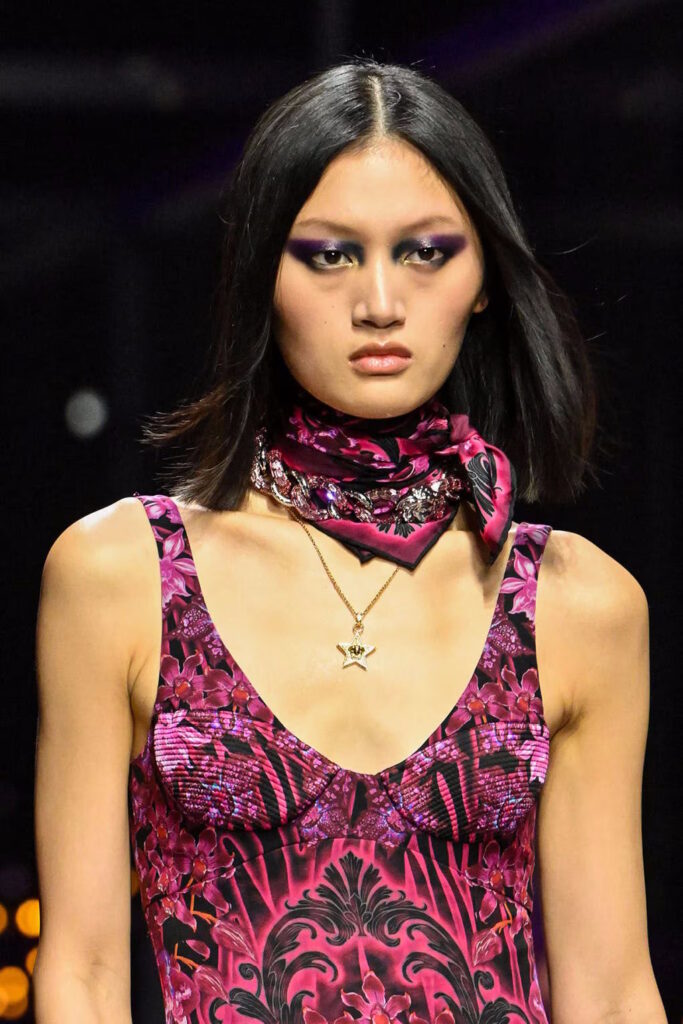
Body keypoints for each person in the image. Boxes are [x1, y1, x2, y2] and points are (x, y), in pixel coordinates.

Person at [32, 58, 666, 1024]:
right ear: (262, 272)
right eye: (329, 255)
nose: (379, 301)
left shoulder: (578, 604)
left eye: (426, 253)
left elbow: (614, 993)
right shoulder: (123, 576)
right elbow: (79, 974)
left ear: (483, 279)